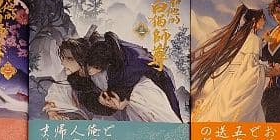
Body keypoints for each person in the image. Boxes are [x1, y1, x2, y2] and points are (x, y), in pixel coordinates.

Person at [49, 30, 181, 122]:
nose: (63, 63)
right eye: (63, 59)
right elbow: (88, 99)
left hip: (147, 88)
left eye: (68, 59)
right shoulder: (76, 75)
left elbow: (129, 78)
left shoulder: (109, 64)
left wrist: (120, 99)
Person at [190, 5, 268, 123]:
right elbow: (250, 67)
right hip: (241, 80)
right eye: (262, 18)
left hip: (229, 80)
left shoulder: (239, 37)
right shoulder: (254, 40)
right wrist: (265, 69)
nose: (264, 21)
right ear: (254, 20)